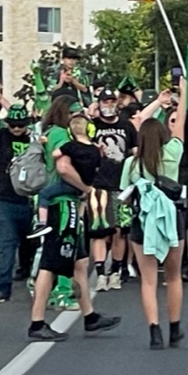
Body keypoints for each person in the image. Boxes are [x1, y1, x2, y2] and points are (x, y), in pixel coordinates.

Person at [28, 107, 120, 341]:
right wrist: (85, 188)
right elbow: (62, 167)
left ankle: (89, 316)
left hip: (69, 206)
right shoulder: (68, 142)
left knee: (80, 261)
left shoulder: (71, 143)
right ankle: (37, 322)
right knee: (50, 264)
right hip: (62, 207)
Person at [121, 81, 188, 349]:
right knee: (173, 276)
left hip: (143, 221)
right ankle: (175, 329)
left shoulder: (132, 163)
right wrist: (182, 95)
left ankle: (154, 331)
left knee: (148, 281)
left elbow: (124, 194)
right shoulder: (172, 153)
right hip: (172, 219)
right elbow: (180, 121)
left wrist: (152, 109)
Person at [0, 102, 36, 302]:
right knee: (5, 245)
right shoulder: (1, 137)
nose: (16, 128)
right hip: (6, 200)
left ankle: (31, 275)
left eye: (20, 125)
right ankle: (2, 288)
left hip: (30, 200)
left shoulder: (35, 137)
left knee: (30, 245)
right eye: (13, 124)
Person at [88, 89, 137, 292]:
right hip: (98, 185)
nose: (108, 105)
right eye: (104, 101)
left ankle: (115, 271)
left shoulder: (127, 126)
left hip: (122, 185)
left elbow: (135, 152)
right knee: (100, 231)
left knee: (120, 231)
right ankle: (100, 273)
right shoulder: (93, 126)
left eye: (111, 101)